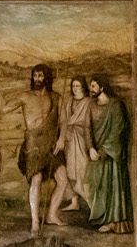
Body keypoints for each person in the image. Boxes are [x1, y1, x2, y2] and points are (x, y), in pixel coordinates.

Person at [85, 75, 132, 233]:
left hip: (112, 155)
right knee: (98, 187)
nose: (91, 89)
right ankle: (103, 218)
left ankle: (114, 221)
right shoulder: (91, 106)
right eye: (90, 86)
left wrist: (103, 151)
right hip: (96, 153)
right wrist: (90, 148)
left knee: (114, 186)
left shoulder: (116, 106)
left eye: (93, 86)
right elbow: (87, 128)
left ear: (102, 87)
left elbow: (117, 131)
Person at [18, 63, 60, 233]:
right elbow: (2, 108)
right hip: (33, 143)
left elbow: (63, 121)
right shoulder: (25, 96)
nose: (37, 79)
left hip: (51, 143)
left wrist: (62, 139)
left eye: (40, 75)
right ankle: (35, 221)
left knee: (63, 179)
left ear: (46, 77)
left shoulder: (55, 97)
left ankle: (51, 214)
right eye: (35, 76)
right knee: (36, 180)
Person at [49, 73, 92, 226]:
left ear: (83, 87)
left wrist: (71, 125)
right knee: (68, 170)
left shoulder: (88, 102)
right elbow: (64, 119)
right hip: (69, 140)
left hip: (80, 140)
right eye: (73, 86)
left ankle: (93, 205)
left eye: (77, 86)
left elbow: (86, 122)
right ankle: (74, 202)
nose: (75, 88)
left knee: (79, 171)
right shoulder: (70, 101)